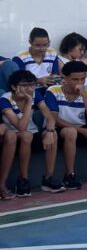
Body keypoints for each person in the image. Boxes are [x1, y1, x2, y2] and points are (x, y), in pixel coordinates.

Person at [39, 60, 87, 189]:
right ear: (65, 78)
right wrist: (82, 131)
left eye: (82, 79)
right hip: (58, 128)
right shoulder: (53, 91)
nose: (79, 83)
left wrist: (84, 96)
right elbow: (54, 119)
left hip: (80, 128)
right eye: (75, 79)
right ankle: (69, 175)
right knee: (70, 132)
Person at [0, 69, 61, 197]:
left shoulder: (36, 95)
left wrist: (50, 131)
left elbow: (49, 117)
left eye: (32, 85)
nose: (29, 89)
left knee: (53, 134)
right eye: (24, 85)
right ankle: (23, 180)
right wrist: (28, 102)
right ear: (14, 87)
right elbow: (21, 127)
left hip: (32, 133)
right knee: (26, 135)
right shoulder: (5, 99)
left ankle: (48, 178)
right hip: (13, 135)